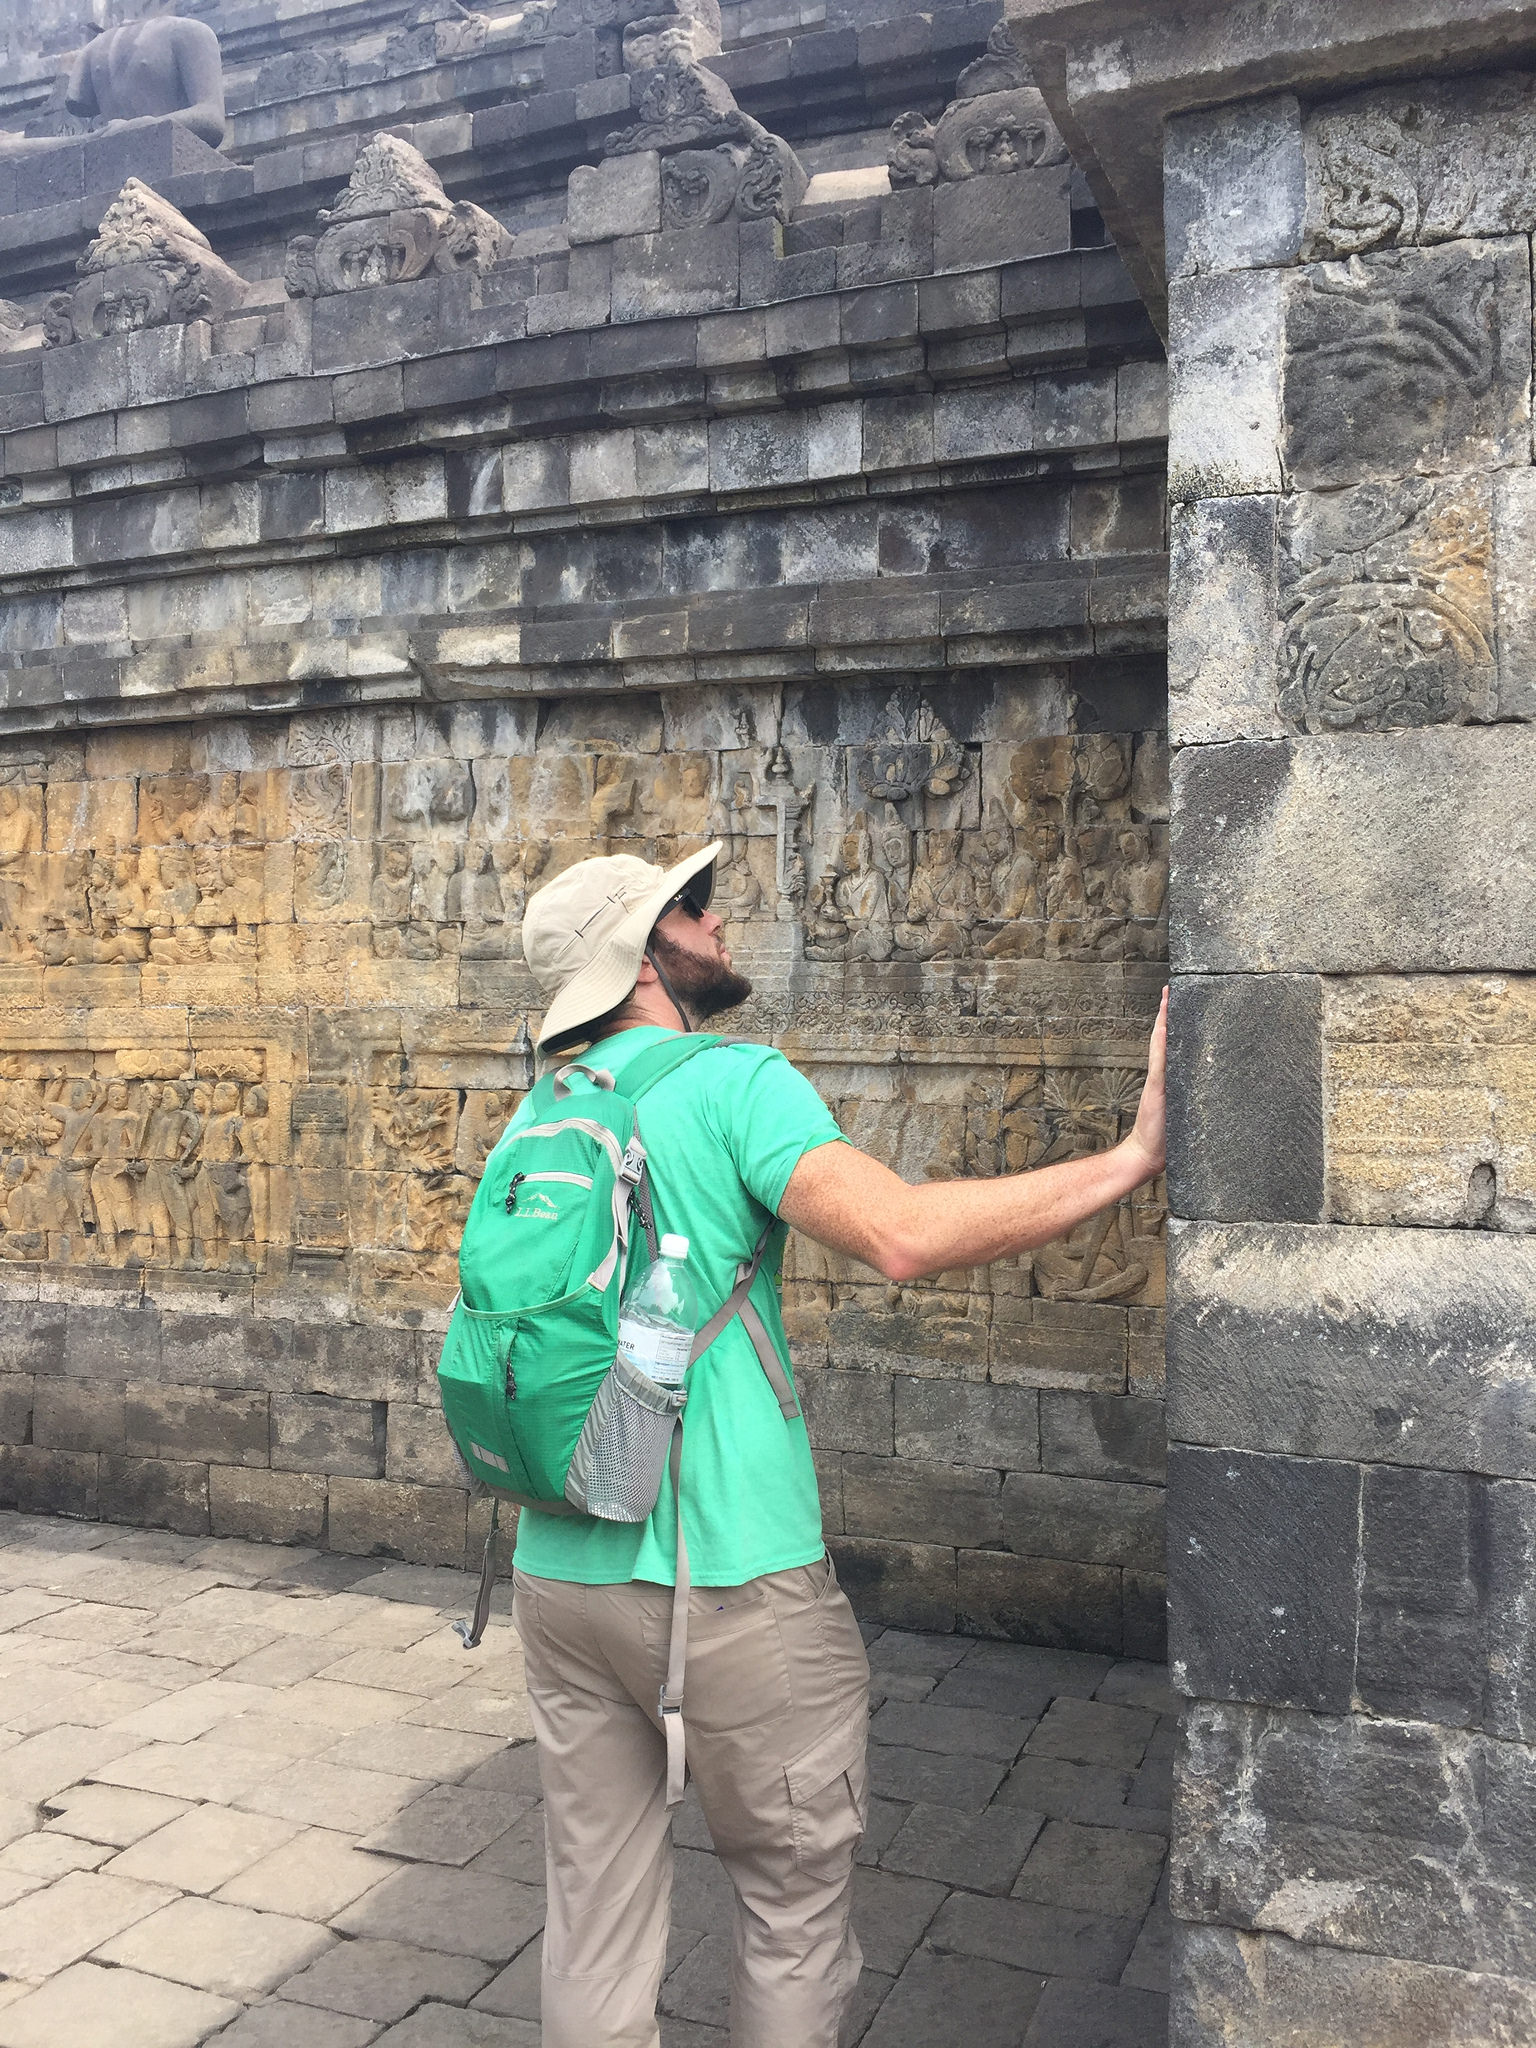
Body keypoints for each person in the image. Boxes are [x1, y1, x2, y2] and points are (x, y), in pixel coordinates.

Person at [512, 839, 1167, 2048]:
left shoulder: (543, 1104)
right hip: (728, 1575)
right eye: (692, 908)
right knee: (791, 1903)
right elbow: (902, 1234)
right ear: (644, 956)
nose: (718, 920)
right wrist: (1127, 1159)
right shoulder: (730, 1080)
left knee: (592, 1913)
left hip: (560, 1567)